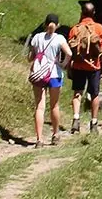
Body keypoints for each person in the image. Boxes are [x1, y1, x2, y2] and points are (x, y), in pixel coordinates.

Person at [26, 13, 71, 147]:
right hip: (54, 74)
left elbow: (30, 57)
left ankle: (39, 139)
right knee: (54, 106)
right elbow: (69, 53)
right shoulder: (59, 38)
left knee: (39, 107)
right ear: (57, 25)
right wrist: (62, 64)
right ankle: (55, 134)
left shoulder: (37, 37)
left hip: (39, 74)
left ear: (45, 24)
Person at [66, 1, 102, 134]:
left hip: (78, 65)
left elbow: (70, 51)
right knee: (94, 94)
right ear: (94, 13)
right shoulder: (99, 28)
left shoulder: (75, 29)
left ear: (82, 13)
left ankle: (76, 119)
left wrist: (69, 67)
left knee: (77, 92)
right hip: (94, 66)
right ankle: (94, 123)